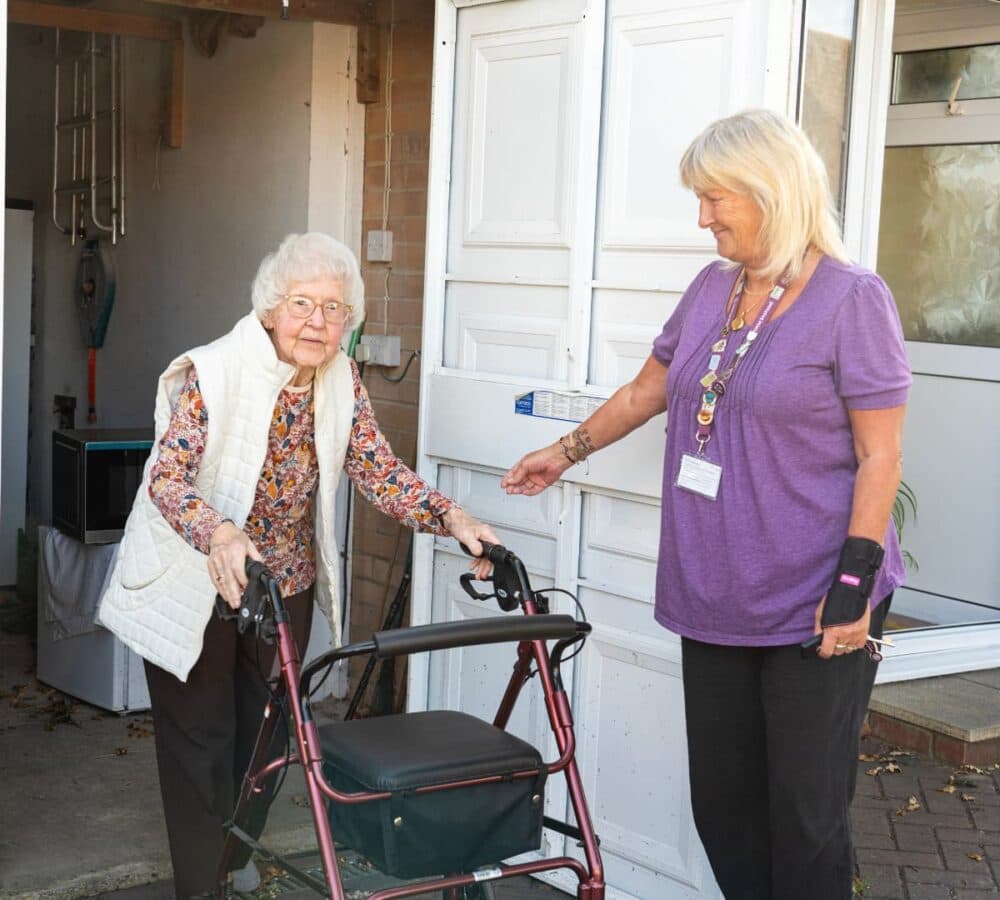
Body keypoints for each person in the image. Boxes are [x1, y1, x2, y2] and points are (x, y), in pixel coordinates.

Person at [501, 110, 910, 900]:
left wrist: (853, 587)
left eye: (716, 198)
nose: (703, 218)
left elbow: (881, 454)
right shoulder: (712, 288)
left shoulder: (852, 298)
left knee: (806, 815)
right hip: (715, 588)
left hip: (815, 595)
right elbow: (647, 390)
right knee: (723, 808)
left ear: (772, 190)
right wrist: (566, 451)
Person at [98, 232, 498, 899]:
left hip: (283, 582)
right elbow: (166, 478)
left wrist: (451, 518)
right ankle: (201, 885)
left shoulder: (341, 378)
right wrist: (220, 533)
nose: (317, 321)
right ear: (270, 308)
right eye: (302, 304)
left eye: (333, 308)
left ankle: (232, 852)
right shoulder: (214, 371)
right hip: (198, 575)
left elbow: (376, 468)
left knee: (269, 734)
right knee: (201, 739)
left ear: (349, 319)